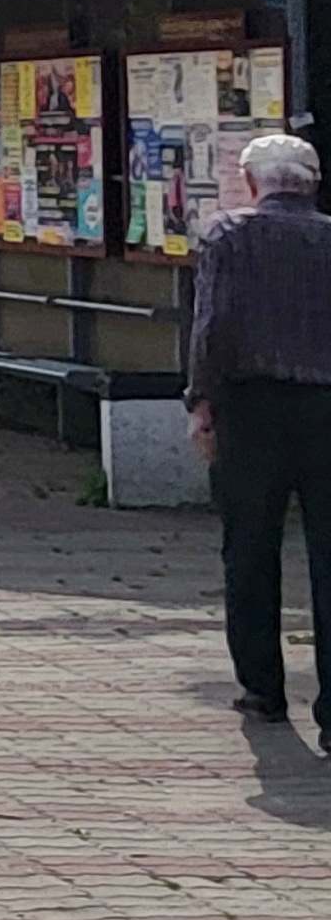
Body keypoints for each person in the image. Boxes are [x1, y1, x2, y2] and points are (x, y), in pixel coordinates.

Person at [190, 131, 331, 745]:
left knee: (249, 547)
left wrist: (201, 401)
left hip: (251, 409)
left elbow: (212, 325)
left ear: (251, 185)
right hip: (328, 407)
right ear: (314, 184)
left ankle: (263, 689)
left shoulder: (229, 235)